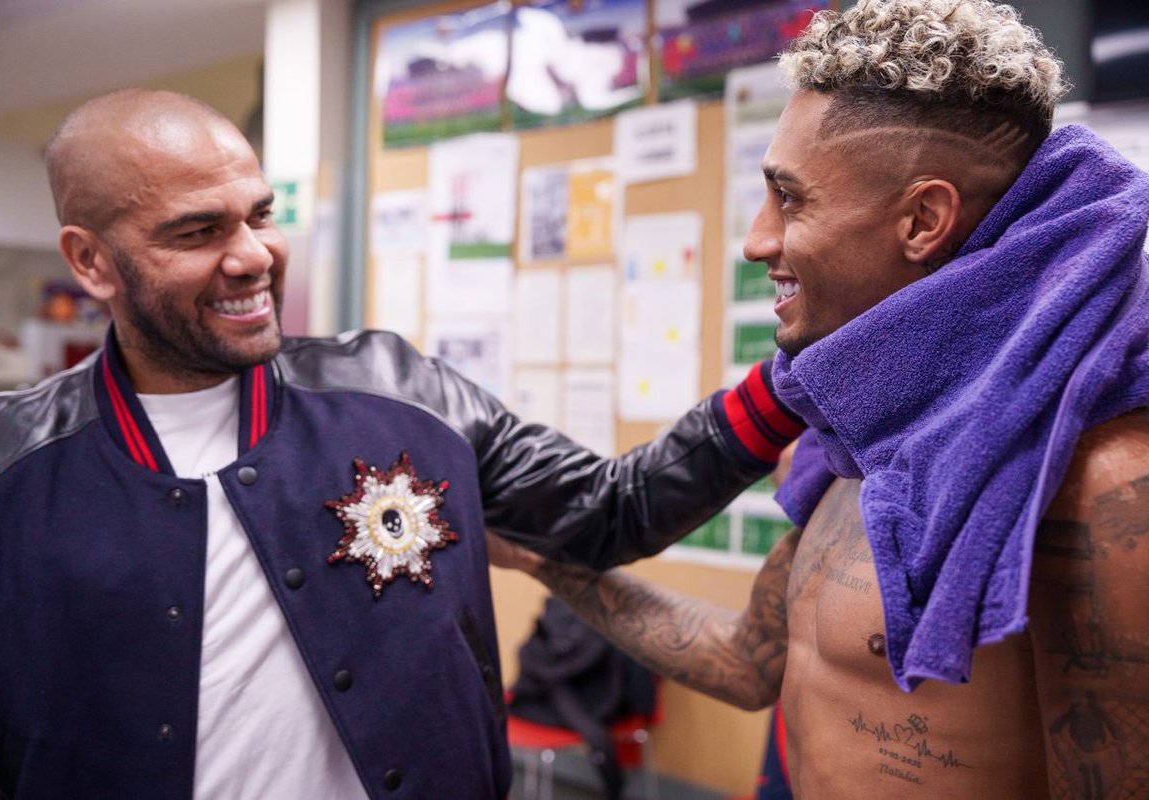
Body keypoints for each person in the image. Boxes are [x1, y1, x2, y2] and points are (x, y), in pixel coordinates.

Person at [0, 89, 805, 799]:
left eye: (260, 216)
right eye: (198, 232)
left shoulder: (402, 394)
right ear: (91, 262)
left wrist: (796, 382)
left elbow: (612, 509)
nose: (253, 257)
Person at [488, 1, 1149, 797]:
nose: (756, 240)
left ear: (923, 219)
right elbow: (747, 660)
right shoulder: (861, 443)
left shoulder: (1098, 487)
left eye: (790, 199)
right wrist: (536, 556)